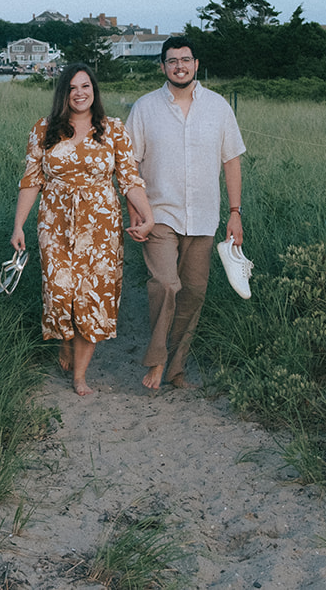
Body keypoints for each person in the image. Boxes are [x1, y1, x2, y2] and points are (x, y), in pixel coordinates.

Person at [12, 63, 154, 396]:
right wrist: (18, 225)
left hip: (101, 226)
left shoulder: (113, 129)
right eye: (73, 87)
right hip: (55, 222)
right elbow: (32, 180)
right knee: (60, 292)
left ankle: (80, 375)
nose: (80, 93)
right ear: (64, 93)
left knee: (94, 296)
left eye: (86, 86)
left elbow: (129, 179)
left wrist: (147, 215)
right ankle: (65, 342)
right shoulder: (44, 129)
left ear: (94, 91)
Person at [125, 35, 246, 391]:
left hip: (204, 217)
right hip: (157, 214)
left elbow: (232, 161)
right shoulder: (145, 108)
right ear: (162, 66)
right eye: (172, 60)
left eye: (186, 60)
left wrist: (234, 212)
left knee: (193, 293)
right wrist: (135, 210)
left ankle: (176, 369)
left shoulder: (219, 107)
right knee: (166, 285)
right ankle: (158, 359)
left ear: (196, 64)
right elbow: (129, 165)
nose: (180, 66)